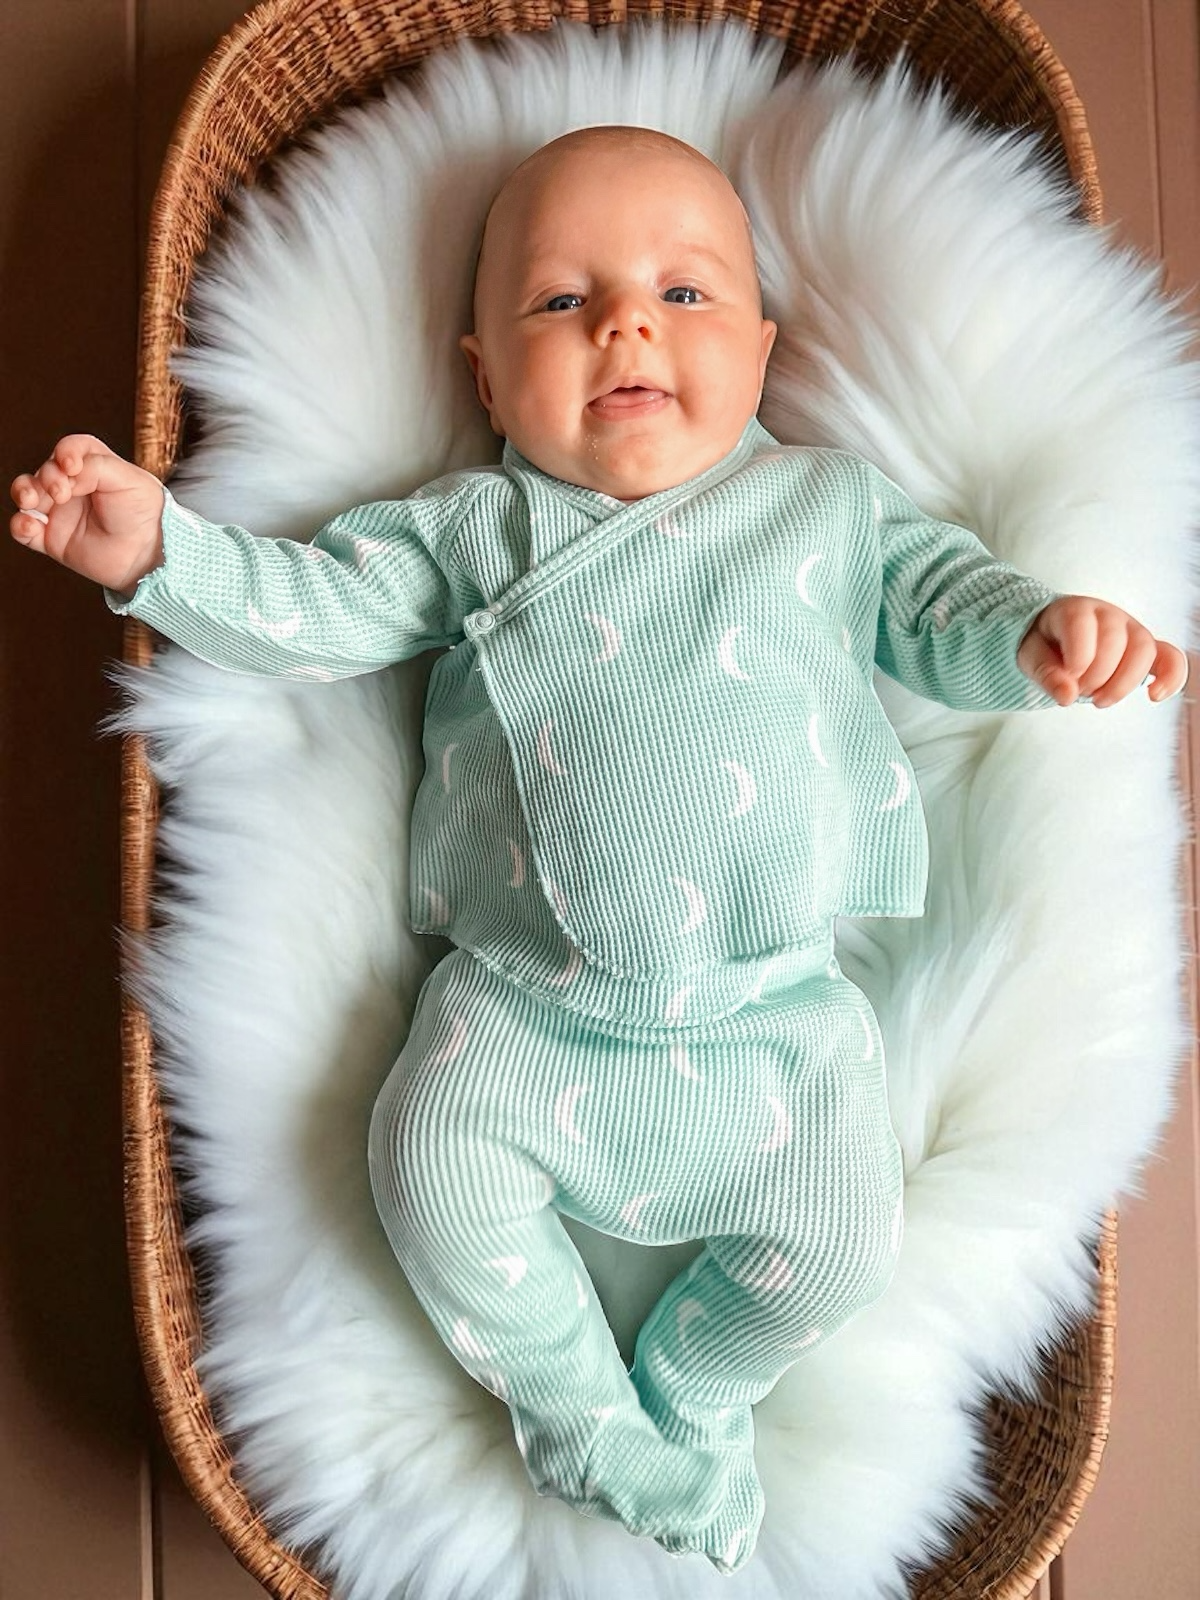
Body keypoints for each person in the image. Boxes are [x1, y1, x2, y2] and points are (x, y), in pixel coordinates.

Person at [10, 125, 1187, 1576]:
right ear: (484, 378)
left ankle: (694, 1389)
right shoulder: (478, 529)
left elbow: (943, 605)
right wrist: (160, 553)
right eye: (562, 302)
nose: (626, 320)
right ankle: (577, 1411)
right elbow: (314, 609)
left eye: (684, 296)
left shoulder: (823, 513)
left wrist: (1037, 632)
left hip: (775, 1023)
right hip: (522, 1013)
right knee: (425, 1168)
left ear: (764, 354)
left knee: (842, 1239)